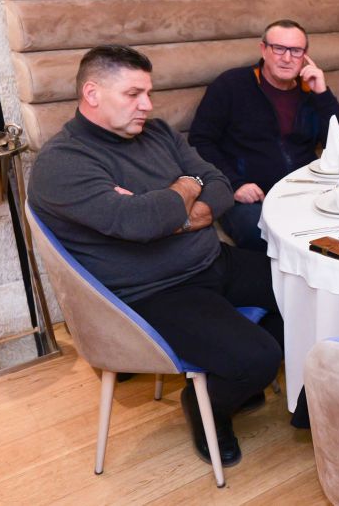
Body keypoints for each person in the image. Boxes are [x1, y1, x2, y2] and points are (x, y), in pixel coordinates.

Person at [29, 45, 283, 468]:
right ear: (92, 94)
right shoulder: (62, 164)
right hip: (156, 290)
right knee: (258, 358)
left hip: (212, 260)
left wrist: (170, 211)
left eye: (148, 92)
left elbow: (218, 183)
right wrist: (186, 185)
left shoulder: (159, 132)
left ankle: (231, 380)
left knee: (304, 288)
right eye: (133, 94)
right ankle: (206, 407)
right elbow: (140, 222)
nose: (146, 105)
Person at [189, 19, 339, 251]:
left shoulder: (311, 91)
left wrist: (322, 94)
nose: (287, 58)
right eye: (278, 48)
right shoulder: (231, 85)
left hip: (305, 190)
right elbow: (200, 141)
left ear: (305, 56)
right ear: (263, 50)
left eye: (295, 51)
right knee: (261, 232)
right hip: (250, 196)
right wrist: (235, 183)